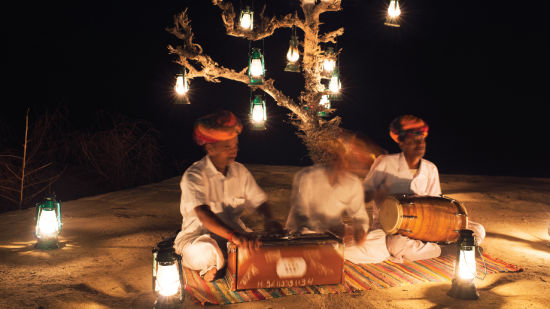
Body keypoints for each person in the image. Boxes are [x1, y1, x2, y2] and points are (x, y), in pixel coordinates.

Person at [173, 110, 281, 281]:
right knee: (207, 251)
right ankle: (214, 266)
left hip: (235, 238)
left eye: (236, 146)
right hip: (197, 238)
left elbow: (259, 201)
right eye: (227, 147)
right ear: (210, 148)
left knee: (263, 249)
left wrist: (270, 220)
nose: (234, 151)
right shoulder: (194, 175)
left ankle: (224, 264)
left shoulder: (240, 171)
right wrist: (235, 236)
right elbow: (204, 214)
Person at [363, 115, 486, 263]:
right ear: (401, 142)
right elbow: (365, 194)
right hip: (391, 228)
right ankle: (446, 250)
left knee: (477, 229)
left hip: (427, 225)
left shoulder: (430, 168)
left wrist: (446, 223)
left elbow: (437, 202)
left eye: (421, 139)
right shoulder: (384, 162)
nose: (419, 143)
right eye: (413, 139)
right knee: (396, 245)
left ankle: (440, 245)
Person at [285, 130, 390, 264]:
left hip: (336, 237)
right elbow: (303, 217)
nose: (339, 162)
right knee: (321, 245)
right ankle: (327, 252)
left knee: (379, 240)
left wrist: (360, 231)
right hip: (306, 233)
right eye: (334, 158)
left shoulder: (352, 183)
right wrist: (338, 230)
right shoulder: (307, 178)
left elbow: (360, 216)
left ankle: (333, 252)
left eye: (343, 158)